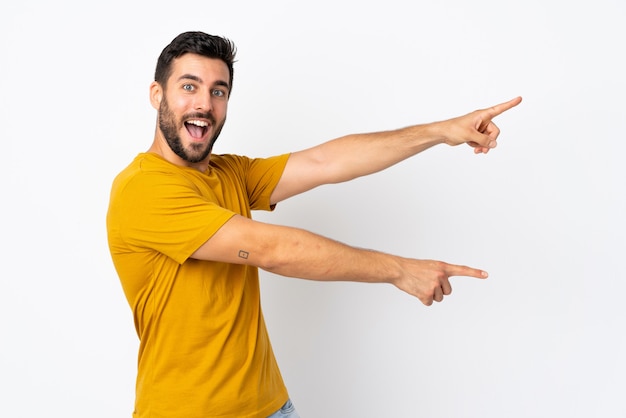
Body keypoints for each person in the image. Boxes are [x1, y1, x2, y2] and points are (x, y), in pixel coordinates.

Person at [106, 30, 521, 418]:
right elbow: (274, 250)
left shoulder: (228, 173)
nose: (204, 104)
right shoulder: (143, 189)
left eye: (219, 91)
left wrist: (441, 131)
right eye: (189, 86)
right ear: (157, 94)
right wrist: (400, 270)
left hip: (271, 406)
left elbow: (326, 162)